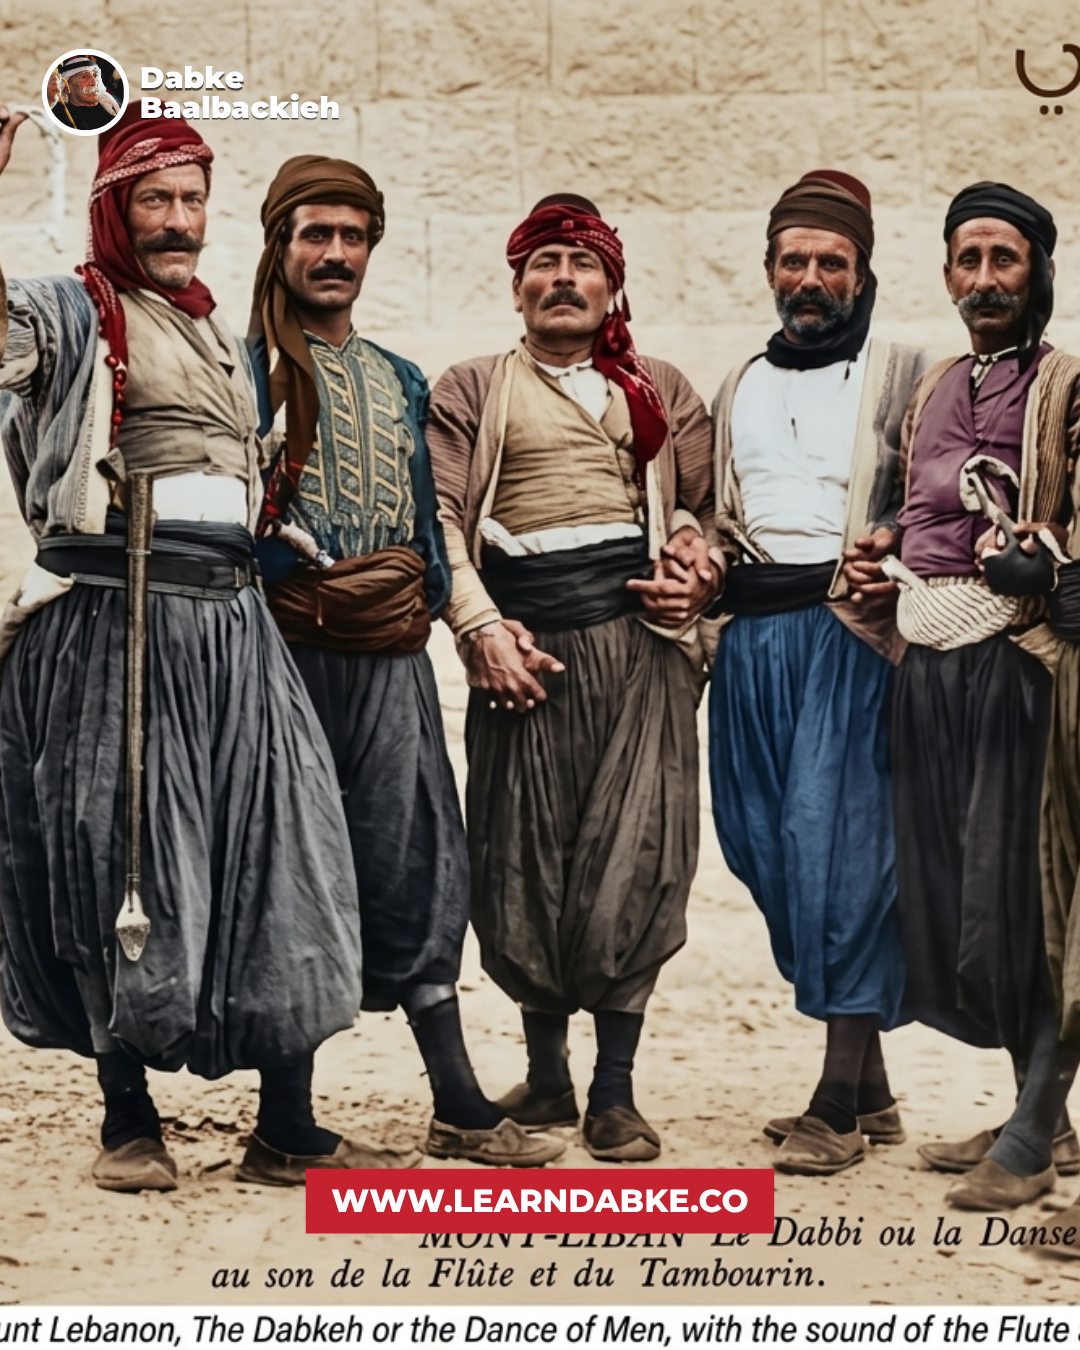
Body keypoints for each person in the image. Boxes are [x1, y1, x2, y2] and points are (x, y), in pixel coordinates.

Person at [0, 105, 418, 1193]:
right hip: (114, 628)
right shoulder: (71, 311)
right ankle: (126, 1119)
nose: (178, 220)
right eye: (155, 199)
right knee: (114, 861)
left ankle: (288, 1126)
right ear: (114, 206)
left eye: (191, 199)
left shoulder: (205, 326)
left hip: (234, 631)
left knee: (291, 855)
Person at [247, 156, 563, 1167]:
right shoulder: (235, 368)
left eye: (353, 235)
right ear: (280, 245)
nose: (334, 253)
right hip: (278, 662)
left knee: (418, 860)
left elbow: (434, 530)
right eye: (314, 234)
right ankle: (285, 1124)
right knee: (290, 873)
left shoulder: (399, 380)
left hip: (390, 661)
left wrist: (467, 618)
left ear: (372, 246)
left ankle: (460, 1105)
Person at [426, 194, 719, 1162]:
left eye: (581, 263)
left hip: (639, 652)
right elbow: (443, 526)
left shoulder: (661, 391)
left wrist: (692, 563)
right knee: (521, 862)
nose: (562, 280)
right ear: (516, 288)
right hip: (523, 651)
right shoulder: (472, 388)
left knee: (638, 860)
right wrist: (480, 630)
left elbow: (710, 515)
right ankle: (548, 1077)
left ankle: (615, 1091)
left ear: (611, 284)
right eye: (543, 263)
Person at [709, 170, 927, 1176]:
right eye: (793, 261)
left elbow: (946, 505)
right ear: (767, 271)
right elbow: (713, 512)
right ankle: (874, 1086)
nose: (811, 278)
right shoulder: (738, 384)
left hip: (851, 640)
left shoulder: (903, 378)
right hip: (753, 645)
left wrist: (899, 553)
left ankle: (833, 1105)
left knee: (834, 852)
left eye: (831, 262)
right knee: (766, 851)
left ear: (861, 272)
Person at [873, 182, 1080, 1209]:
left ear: (1041, 269)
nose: (986, 280)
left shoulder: (1069, 387)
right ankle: (1040, 1112)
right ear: (949, 272)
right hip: (932, 669)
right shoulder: (931, 388)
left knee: (1024, 894)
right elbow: (896, 515)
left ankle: (1036, 1132)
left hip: (1022, 670)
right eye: (969, 260)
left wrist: (1048, 568)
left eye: (1006, 259)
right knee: (957, 893)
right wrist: (878, 558)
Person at [47, 56, 119, 132]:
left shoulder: (112, 105)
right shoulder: (59, 116)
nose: (94, 83)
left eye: (95, 75)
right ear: (66, 88)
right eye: (84, 76)